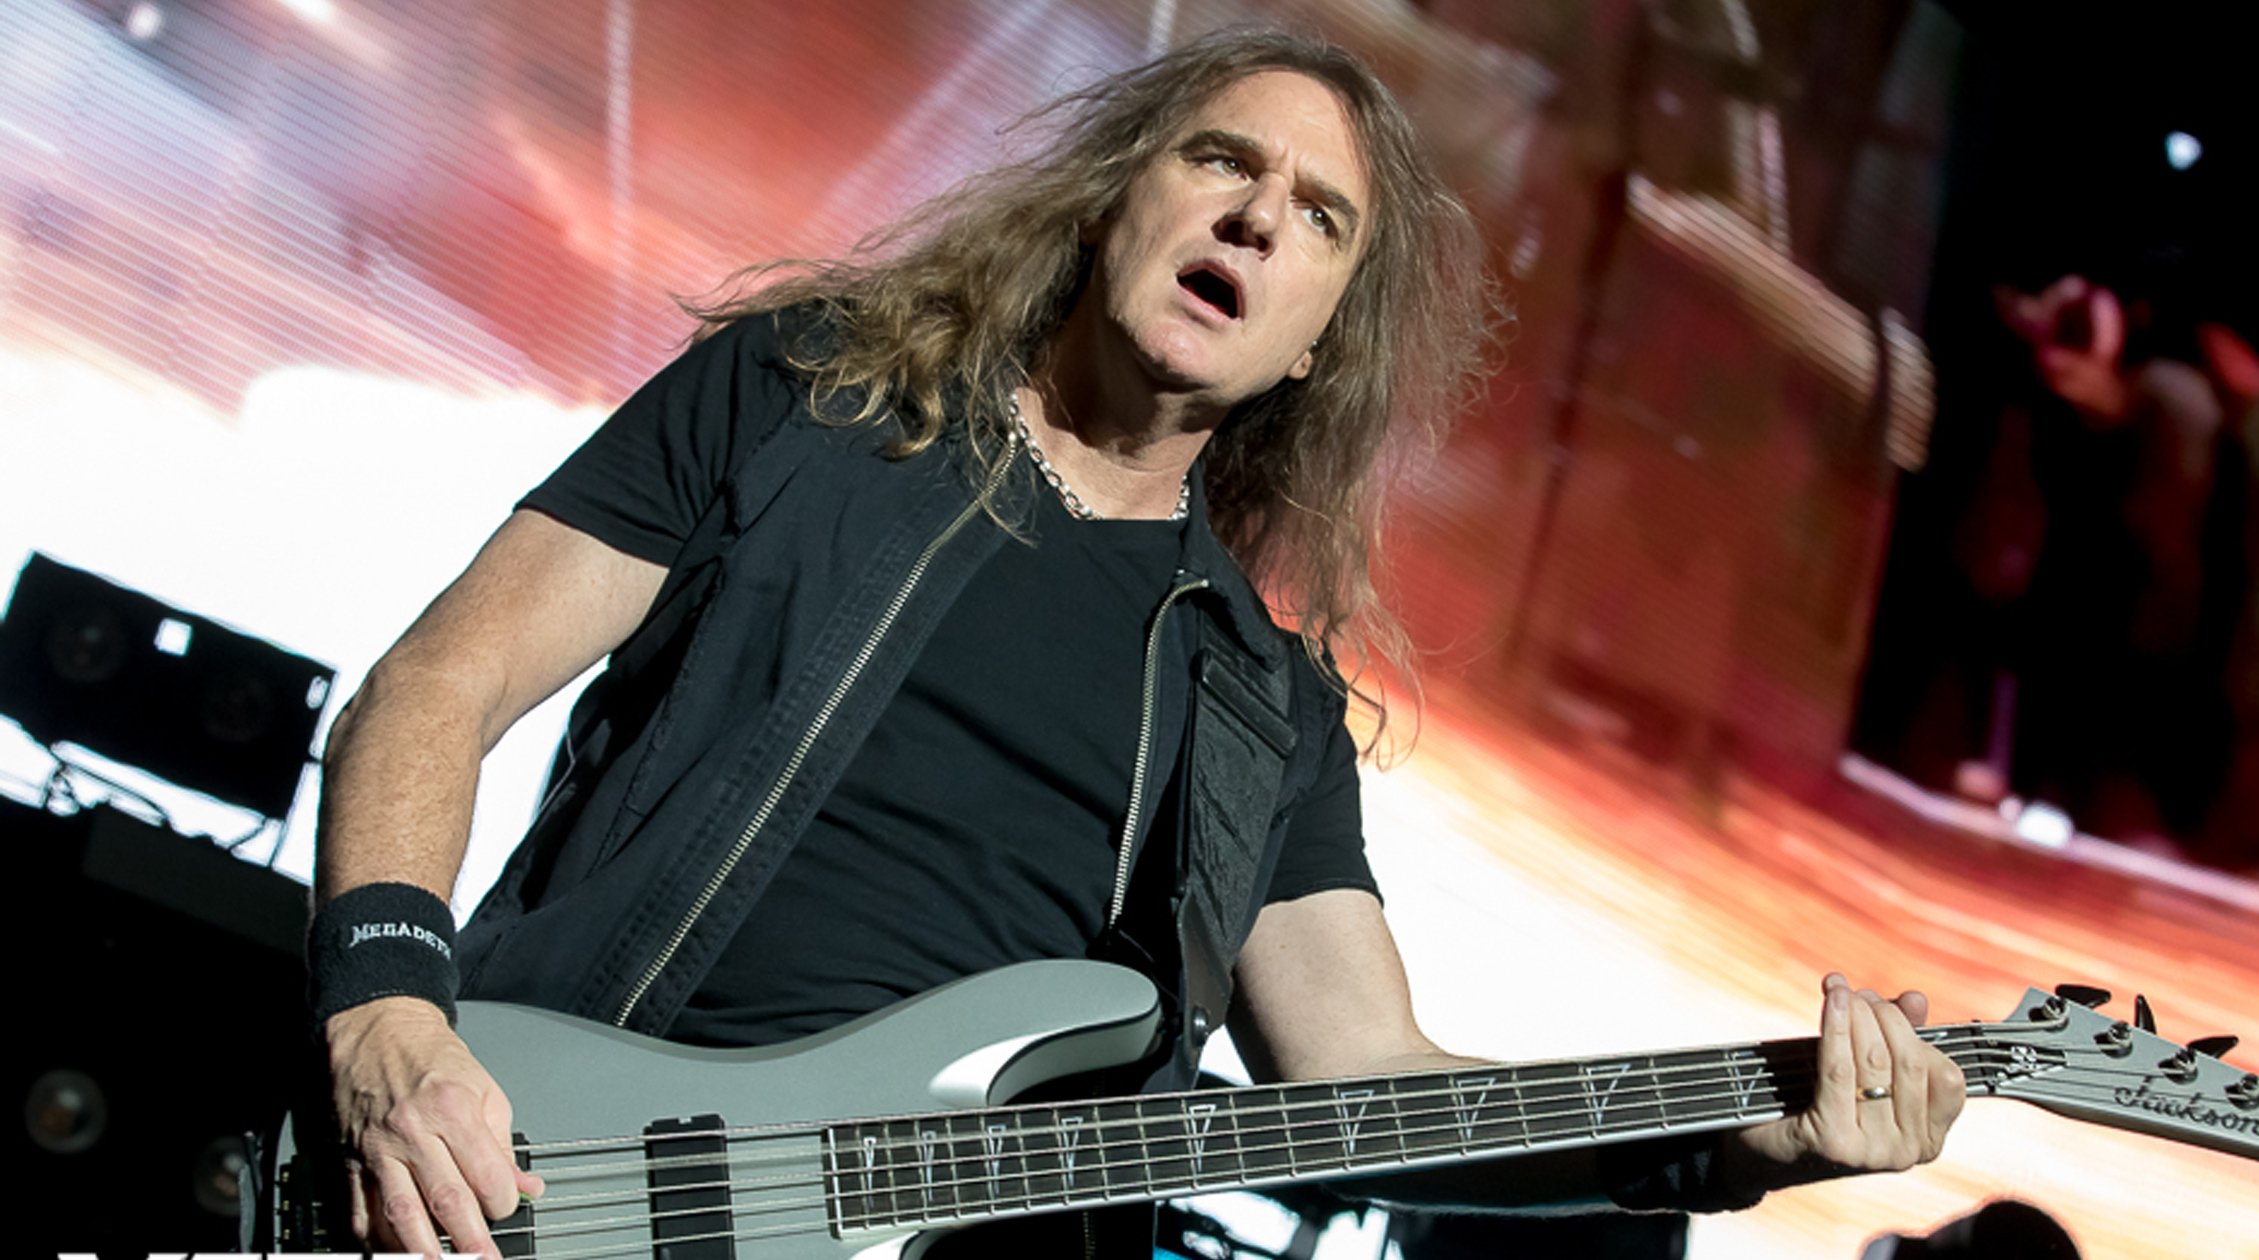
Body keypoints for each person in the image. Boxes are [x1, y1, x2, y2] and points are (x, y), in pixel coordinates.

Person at [307, 29, 1965, 1257]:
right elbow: (440, 682)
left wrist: (1737, 1139)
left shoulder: (1264, 711)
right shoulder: (812, 399)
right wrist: (386, 1014)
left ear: (1319, 346)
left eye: (1321, 218)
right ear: (1117, 201)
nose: (1258, 218)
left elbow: (1368, 1082)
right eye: (1223, 162)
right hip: (555, 1181)